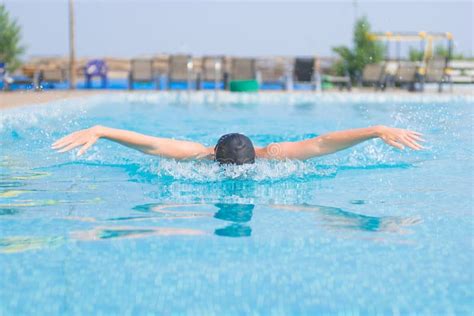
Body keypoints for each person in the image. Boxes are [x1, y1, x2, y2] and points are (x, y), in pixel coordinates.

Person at [52, 125, 424, 164]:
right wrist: (100, 130)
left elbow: (324, 142)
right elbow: (153, 145)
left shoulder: (273, 154)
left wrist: (376, 130)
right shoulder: (193, 154)